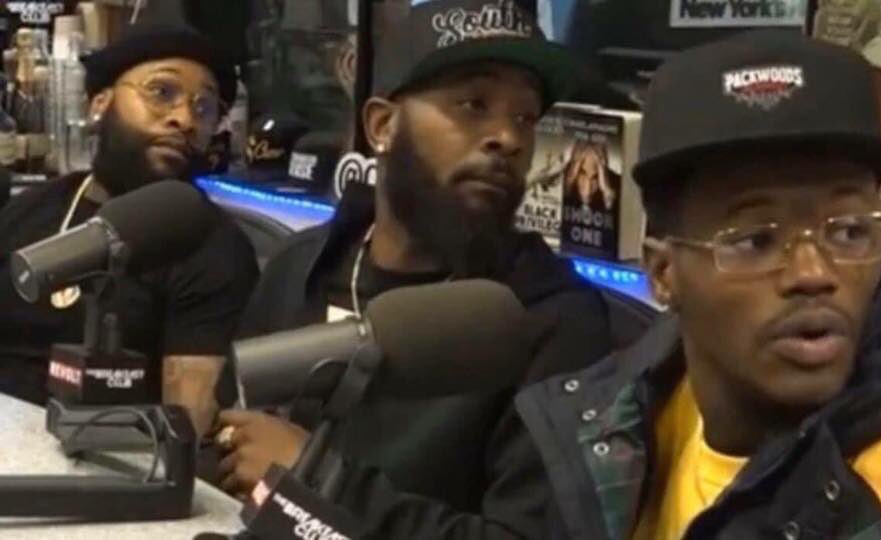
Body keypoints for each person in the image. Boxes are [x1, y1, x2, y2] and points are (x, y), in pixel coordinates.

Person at [516, 30, 881, 540]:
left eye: (850, 232)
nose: (814, 273)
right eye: (756, 241)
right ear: (663, 273)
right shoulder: (624, 417)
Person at [213, 0, 623, 537]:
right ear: (382, 125)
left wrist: (321, 480)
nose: (509, 138)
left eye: (525, 117)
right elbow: (227, 445)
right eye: (474, 104)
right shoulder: (301, 267)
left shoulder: (552, 321)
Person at [0, 24, 259, 436]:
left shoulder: (212, 247)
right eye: (162, 92)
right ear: (99, 103)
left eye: (204, 107)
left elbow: (184, 433)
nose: (184, 119)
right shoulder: (28, 210)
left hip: (105, 462)